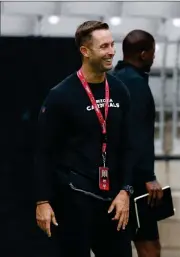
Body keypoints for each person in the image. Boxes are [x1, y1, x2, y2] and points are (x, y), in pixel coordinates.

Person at [34, 20, 137, 257]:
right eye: (104, 47)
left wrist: (125, 191)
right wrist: (42, 201)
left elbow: (129, 146)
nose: (112, 51)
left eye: (112, 45)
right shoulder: (60, 96)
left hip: (114, 201)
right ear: (85, 51)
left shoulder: (120, 90)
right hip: (73, 198)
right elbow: (43, 152)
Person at [111, 29, 163, 257]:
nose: (154, 57)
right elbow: (138, 135)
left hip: (111, 178)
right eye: (152, 52)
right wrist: (148, 176)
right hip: (135, 182)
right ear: (143, 54)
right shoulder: (137, 85)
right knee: (149, 248)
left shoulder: (112, 78)